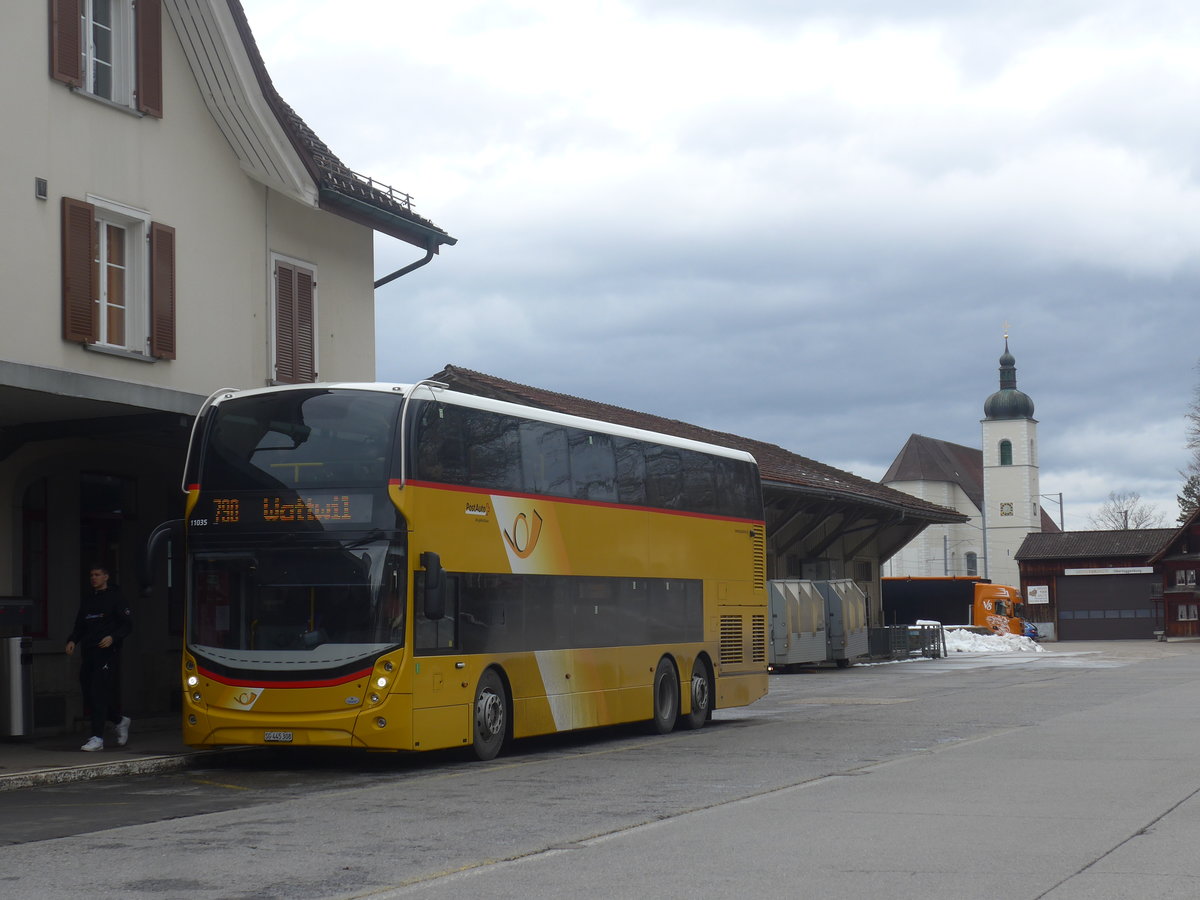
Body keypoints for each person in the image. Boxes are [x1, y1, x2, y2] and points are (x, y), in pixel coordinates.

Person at [65, 566, 133, 751]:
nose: (93, 578)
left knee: (98, 692)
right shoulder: (89, 599)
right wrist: (72, 640)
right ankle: (119, 720)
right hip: (89, 651)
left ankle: (97, 738)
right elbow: (80, 624)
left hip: (107, 652)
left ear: (106, 576)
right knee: (88, 692)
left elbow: (127, 625)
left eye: (97, 575)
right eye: (91, 575)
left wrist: (113, 637)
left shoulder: (116, 598)